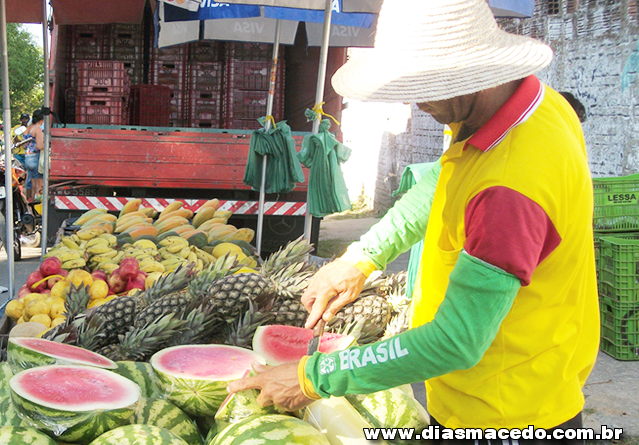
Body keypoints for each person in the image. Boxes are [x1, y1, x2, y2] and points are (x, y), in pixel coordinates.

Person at [227, 0, 598, 443]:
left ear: (468, 79)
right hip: (496, 388)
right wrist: (363, 256)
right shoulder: (528, 104)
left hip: (505, 415)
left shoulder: (511, 189)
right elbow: (445, 182)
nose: (415, 101)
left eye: (422, 86)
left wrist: (313, 377)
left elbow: (456, 340)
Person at [23, 109, 44, 203]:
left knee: (32, 184)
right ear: (42, 119)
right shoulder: (37, 129)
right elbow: (39, 146)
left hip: (27, 157)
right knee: (38, 185)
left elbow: (24, 145)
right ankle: (37, 205)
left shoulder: (27, 128)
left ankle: (31, 204)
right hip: (35, 157)